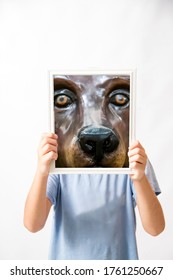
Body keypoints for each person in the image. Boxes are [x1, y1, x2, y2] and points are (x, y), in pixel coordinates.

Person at [24, 133, 165, 260]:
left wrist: (140, 178)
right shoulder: (58, 163)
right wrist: (42, 171)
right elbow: (33, 225)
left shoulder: (134, 160)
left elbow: (155, 228)